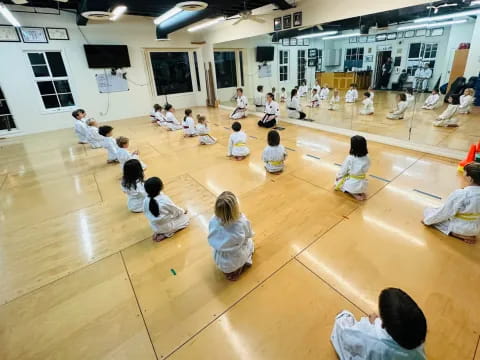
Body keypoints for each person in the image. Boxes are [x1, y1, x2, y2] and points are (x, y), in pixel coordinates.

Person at [331, 288, 427, 359]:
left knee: (342, 319)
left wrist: (372, 323)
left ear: (383, 324)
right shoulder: (416, 336)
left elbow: (348, 339)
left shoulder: (371, 336)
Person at [423, 162, 480, 244]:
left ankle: (457, 234)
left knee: (428, 211)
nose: (463, 175)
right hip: (476, 228)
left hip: (460, 228)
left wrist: (427, 221)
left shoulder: (462, 194)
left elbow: (445, 213)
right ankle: (468, 233)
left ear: (470, 178)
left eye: (465, 174)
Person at [208, 191, 254, 281]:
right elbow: (249, 234)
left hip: (218, 257)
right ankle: (238, 269)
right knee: (250, 244)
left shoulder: (213, 219)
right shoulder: (241, 222)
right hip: (234, 259)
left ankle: (229, 271)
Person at [143, 176, 189, 242]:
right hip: (166, 227)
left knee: (165, 219)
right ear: (161, 187)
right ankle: (166, 234)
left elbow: (145, 212)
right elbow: (175, 210)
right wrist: (183, 211)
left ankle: (158, 231)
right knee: (186, 219)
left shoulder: (145, 200)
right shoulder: (163, 200)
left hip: (153, 225)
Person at [335, 135, 370, 201]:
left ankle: (353, 193)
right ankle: (361, 192)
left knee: (337, 182)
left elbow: (343, 170)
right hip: (363, 181)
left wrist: (338, 176)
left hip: (352, 182)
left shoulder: (350, 158)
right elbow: (366, 168)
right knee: (358, 183)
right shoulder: (367, 157)